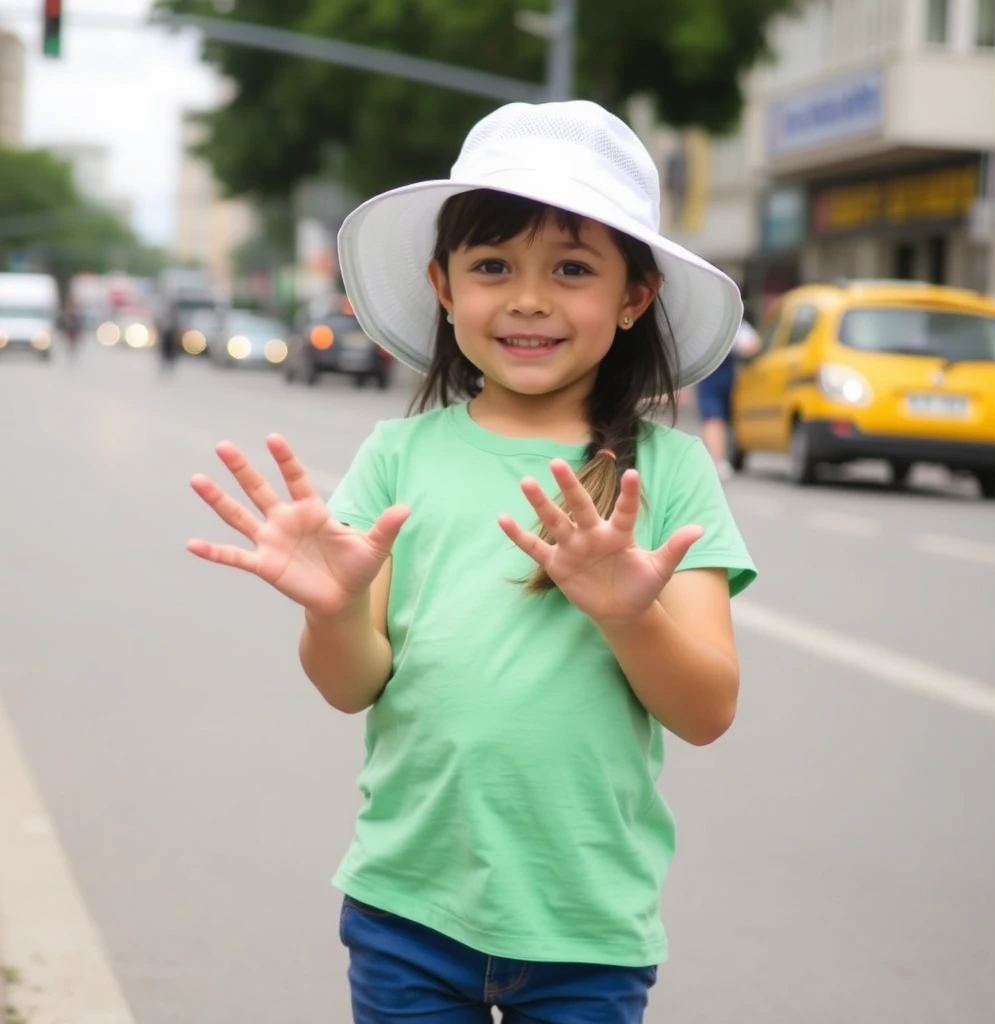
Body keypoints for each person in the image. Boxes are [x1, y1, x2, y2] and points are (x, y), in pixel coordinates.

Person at [187, 100, 757, 1023]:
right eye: (493, 266)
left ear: (633, 296)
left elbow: (707, 710)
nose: (528, 298)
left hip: (586, 928)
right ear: (444, 287)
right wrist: (330, 609)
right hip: (407, 908)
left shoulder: (672, 473)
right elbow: (350, 685)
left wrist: (627, 613)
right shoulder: (396, 456)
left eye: (572, 269)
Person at [695, 308, 761, 480]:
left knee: (715, 419)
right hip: (716, 379)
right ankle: (718, 459)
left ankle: (718, 459)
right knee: (715, 418)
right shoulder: (733, 325)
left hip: (717, 378)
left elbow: (752, 345)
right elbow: (752, 345)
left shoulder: (711, 326)